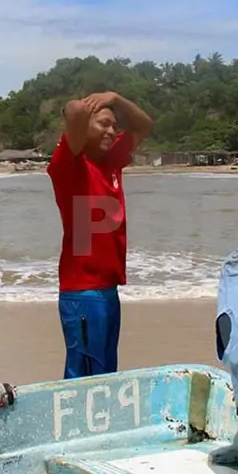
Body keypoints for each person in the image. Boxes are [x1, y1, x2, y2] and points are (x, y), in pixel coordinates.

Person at [46, 91, 154, 379]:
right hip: (82, 292)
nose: (111, 130)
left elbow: (144, 125)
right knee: (83, 377)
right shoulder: (70, 167)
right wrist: (88, 105)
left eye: (114, 126)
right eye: (103, 123)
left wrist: (117, 99)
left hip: (108, 290)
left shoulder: (112, 162)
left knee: (105, 375)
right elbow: (74, 112)